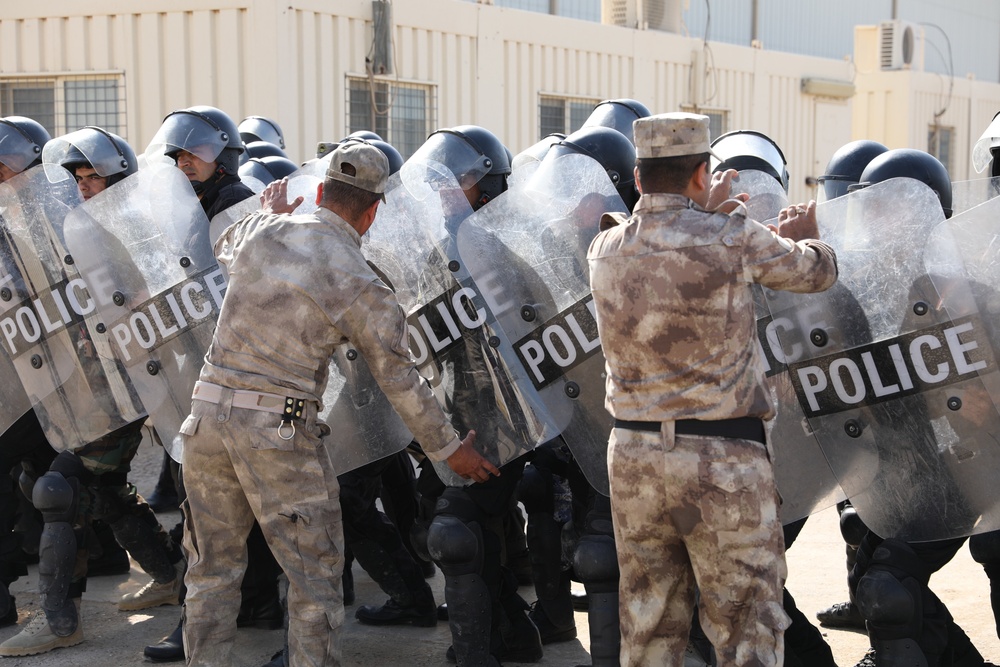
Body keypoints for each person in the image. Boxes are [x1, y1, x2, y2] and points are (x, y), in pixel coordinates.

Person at [179, 140, 497, 666]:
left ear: (321, 191)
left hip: (206, 420)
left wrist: (269, 213)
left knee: (210, 573)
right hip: (277, 433)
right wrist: (447, 450)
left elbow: (226, 249)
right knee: (313, 580)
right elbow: (399, 378)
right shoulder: (360, 281)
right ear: (373, 212)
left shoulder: (264, 233)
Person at [586, 112, 838, 666]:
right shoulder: (734, 239)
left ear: (635, 176)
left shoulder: (604, 248)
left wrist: (705, 212)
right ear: (702, 174)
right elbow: (816, 274)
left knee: (649, 627)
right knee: (747, 626)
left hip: (633, 460)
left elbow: (664, 246)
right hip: (722, 461)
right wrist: (809, 239)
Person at [0, 126, 187, 658]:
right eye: (78, 179)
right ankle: (168, 571)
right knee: (101, 490)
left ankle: (59, 621)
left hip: (128, 387)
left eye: (94, 178)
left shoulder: (124, 233)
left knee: (61, 491)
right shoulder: (44, 232)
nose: (84, 188)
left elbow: (154, 306)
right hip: (78, 389)